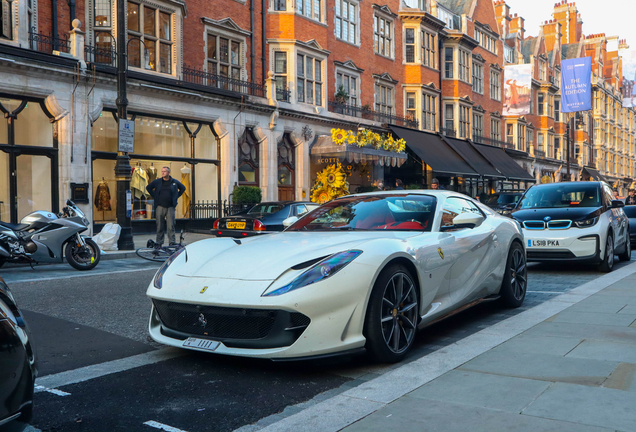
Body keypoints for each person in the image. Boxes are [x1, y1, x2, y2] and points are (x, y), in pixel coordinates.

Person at [146, 166, 186, 246]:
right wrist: (155, 196)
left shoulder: (174, 182)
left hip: (170, 207)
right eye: (162, 171)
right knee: (160, 225)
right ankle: (159, 242)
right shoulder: (157, 182)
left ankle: (172, 242)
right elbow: (148, 187)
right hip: (160, 206)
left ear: (168, 173)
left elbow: (183, 188)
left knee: (170, 226)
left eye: (165, 171)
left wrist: (176, 196)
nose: (163, 173)